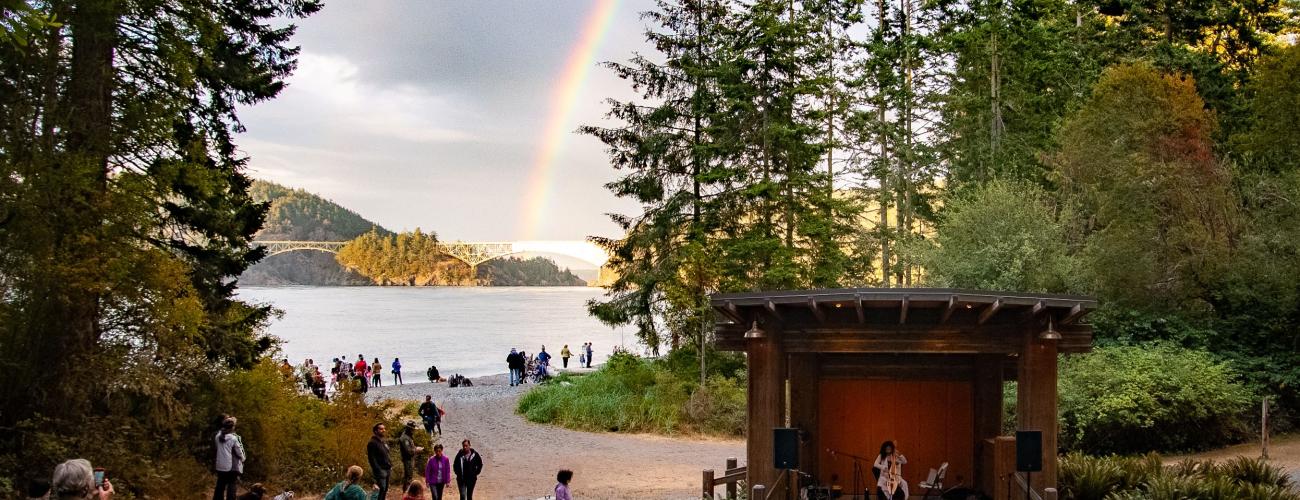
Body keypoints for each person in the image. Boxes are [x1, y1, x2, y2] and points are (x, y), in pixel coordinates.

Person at [214, 416, 246, 500]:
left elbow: (217, 447)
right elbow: (239, 451)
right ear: (232, 427)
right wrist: (243, 458)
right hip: (229, 466)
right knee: (232, 484)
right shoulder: (233, 438)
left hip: (219, 465)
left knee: (220, 485)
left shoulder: (217, 437)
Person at [367, 423, 393, 500]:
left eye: (384, 428)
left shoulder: (383, 441)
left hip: (387, 469)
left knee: (385, 490)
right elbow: (372, 459)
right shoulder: (372, 443)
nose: (383, 430)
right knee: (381, 489)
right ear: (375, 431)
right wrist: (378, 469)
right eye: (381, 429)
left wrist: (390, 465)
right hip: (380, 470)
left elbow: (387, 454)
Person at [398, 422, 424, 489]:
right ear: (408, 429)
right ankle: (406, 492)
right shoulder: (404, 438)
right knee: (408, 477)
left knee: (409, 476)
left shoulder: (408, 436)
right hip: (407, 459)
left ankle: (407, 492)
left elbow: (411, 447)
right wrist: (417, 450)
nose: (413, 430)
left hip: (410, 459)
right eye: (412, 429)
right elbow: (409, 451)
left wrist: (415, 448)